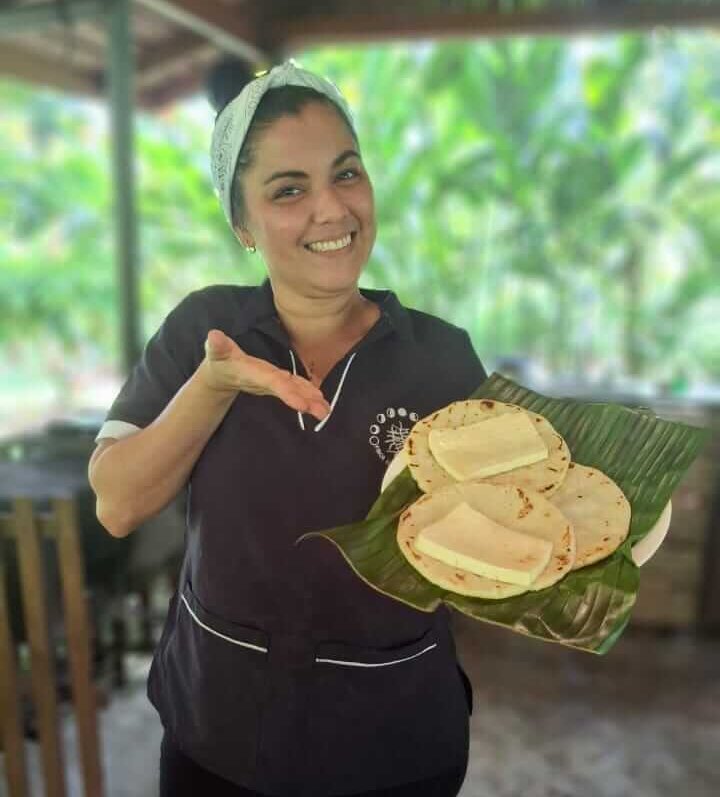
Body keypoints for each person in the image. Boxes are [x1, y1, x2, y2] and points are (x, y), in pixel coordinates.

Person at [88, 57, 487, 797]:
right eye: (287, 190)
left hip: (395, 739)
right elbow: (116, 503)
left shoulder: (441, 356)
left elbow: (491, 537)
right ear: (243, 224)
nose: (331, 209)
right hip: (221, 732)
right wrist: (212, 387)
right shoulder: (203, 330)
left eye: (347, 173)